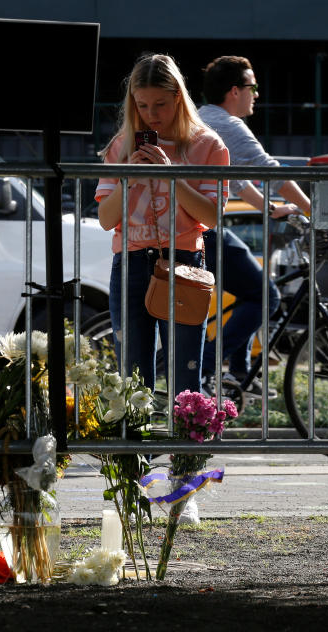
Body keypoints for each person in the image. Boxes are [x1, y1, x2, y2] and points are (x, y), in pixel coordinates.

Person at [95, 53, 230, 398]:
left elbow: (213, 217)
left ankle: (186, 452)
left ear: (179, 99)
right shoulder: (121, 146)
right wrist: (129, 178)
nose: (152, 115)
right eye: (142, 106)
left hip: (184, 262)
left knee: (186, 377)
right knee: (133, 379)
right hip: (132, 263)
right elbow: (107, 220)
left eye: (161, 105)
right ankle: (137, 453)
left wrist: (171, 176)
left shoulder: (208, 145)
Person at [198, 55, 313, 394]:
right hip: (200, 228)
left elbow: (236, 181)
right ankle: (208, 366)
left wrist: (271, 209)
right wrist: (314, 211)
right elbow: (270, 170)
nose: (256, 95)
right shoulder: (227, 124)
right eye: (253, 87)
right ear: (234, 91)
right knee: (266, 296)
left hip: (195, 224)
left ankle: (238, 371)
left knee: (253, 285)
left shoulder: (207, 117)